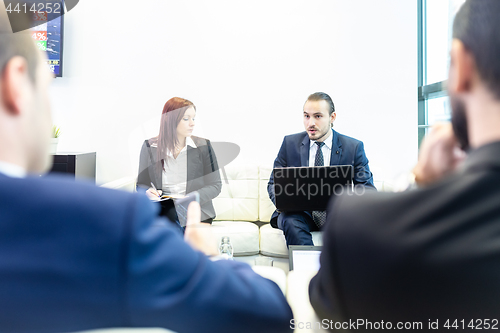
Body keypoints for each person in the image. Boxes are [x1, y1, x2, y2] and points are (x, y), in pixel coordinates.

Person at [0, 9, 292, 333]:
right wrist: (207, 258)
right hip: (169, 217)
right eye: (47, 86)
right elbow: (267, 311)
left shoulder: (199, 150)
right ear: (17, 85)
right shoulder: (111, 220)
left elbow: (213, 187)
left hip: (190, 208)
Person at [309, 0, 500, 327]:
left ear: (462, 65)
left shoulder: (363, 228)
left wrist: (418, 183)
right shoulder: (291, 146)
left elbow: (328, 305)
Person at [267, 92, 376, 246]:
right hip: (302, 214)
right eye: (306, 116)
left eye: (317, 116)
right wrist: (284, 202)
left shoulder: (353, 147)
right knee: (290, 219)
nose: (310, 123)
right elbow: (273, 184)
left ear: (332, 118)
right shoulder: (289, 143)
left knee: (353, 222)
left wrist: (349, 203)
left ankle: (335, 269)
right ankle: (306, 269)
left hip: (337, 214)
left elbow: (367, 189)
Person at [137, 97, 222, 224]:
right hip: (163, 211)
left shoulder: (203, 146)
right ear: (170, 120)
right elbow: (141, 185)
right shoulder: (149, 147)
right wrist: (148, 192)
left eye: (193, 118)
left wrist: (190, 199)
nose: (192, 123)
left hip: (195, 211)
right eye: (186, 119)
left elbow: (215, 185)